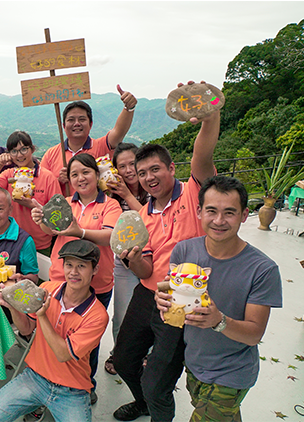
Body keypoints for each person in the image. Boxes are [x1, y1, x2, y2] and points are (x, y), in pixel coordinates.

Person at [112, 83, 220, 422]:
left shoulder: (194, 193)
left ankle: (156, 408)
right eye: (142, 173)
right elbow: (145, 272)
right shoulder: (143, 217)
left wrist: (208, 114)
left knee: (158, 382)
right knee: (125, 360)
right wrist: (133, 260)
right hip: (148, 296)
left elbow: (203, 153)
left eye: (155, 169)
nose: (148, 177)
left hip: (183, 301)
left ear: (172, 168)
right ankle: (142, 403)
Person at [154, 176, 282, 422]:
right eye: (211, 211)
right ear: (199, 211)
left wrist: (218, 321)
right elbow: (173, 298)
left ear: (244, 215)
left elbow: (255, 334)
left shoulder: (263, 269)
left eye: (230, 213)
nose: (219, 221)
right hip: (194, 362)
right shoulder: (184, 250)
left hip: (232, 372)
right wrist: (162, 300)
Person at [32, 152, 122, 403]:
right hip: (60, 281)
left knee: (86, 343)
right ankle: (51, 379)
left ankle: (85, 385)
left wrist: (79, 231)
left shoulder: (110, 205)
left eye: (86, 172)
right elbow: (53, 232)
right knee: (53, 332)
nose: (80, 178)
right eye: (74, 174)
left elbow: (110, 237)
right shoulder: (65, 203)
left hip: (97, 284)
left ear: (96, 174)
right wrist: (41, 221)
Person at [0, 240, 109, 422]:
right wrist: (13, 307)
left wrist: (42, 316)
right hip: (35, 377)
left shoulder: (98, 315)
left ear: (95, 270)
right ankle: (38, 404)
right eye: (69, 265)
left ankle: (41, 406)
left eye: (81, 266)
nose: (73, 272)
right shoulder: (47, 289)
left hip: (72, 389)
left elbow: (63, 354)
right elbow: (27, 328)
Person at [103, 143, 150, 375]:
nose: (128, 170)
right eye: (122, 166)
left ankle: (144, 354)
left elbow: (148, 220)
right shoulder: (109, 192)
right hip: (123, 262)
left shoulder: (151, 186)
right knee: (122, 313)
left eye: (132, 163)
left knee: (150, 312)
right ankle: (117, 353)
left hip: (152, 259)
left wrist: (128, 195)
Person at [40, 87, 137, 195]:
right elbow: (42, 186)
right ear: (63, 126)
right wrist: (58, 181)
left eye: (82, 119)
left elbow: (119, 131)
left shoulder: (101, 146)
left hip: (99, 210)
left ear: (90, 124)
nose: (77, 123)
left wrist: (129, 108)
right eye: (71, 120)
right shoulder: (50, 155)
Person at [0, 131, 62, 256]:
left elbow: (58, 215)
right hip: (11, 241)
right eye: (14, 151)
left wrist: (32, 205)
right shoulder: (9, 175)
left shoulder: (48, 178)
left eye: (23, 149)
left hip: (40, 245)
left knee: (38, 274)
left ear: (32, 149)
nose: (19, 155)